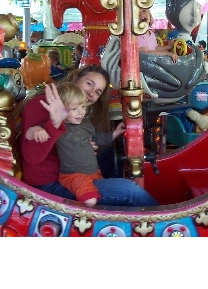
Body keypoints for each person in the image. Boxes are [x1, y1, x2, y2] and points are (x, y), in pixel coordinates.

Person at [20, 65, 158, 205]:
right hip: (50, 184)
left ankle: (116, 206)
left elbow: (74, 138)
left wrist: (83, 144)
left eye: (97, 92)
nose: (91, 93)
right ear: (75, 78)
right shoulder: (42, 105)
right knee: (131, 192)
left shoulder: (77, 113)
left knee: (116, 151)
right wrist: (54, 125)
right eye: (89, 84)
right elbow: (32, 157)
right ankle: (156, 216)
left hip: (77, 169)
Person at [55, 82, 108, 205]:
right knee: (90, 199)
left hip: (94, 172)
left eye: (83, 107)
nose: (81, 112)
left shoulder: (85, 123)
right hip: (73, 175)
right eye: (74, 109)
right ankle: (86, 217)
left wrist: (115, 133)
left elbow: (97, 138)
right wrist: (35, 130)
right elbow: (43, 129)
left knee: (103, 198)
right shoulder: (58, 126)